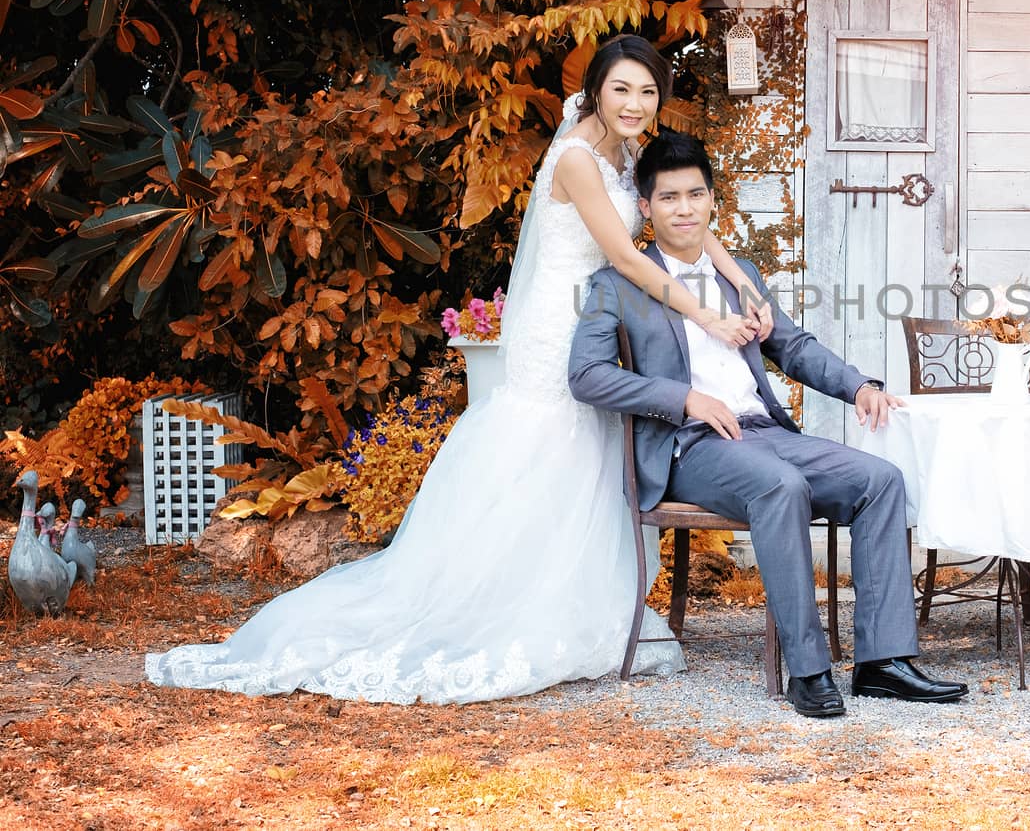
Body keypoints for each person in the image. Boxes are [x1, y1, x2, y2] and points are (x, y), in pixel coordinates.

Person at [146, 35, 777, 703]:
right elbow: (624, 254)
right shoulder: (576, 160)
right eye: (622, 88)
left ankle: (567, 597)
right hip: (559, 324)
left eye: (648, 91)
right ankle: (504, 604)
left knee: (588, 459)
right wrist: (708, 317)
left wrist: (743, 284)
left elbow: (690, 223)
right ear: (596, 89)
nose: (636, 103)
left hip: (597, 318)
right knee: (545, 451)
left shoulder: (629, 151)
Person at [569, 130, 969, 717]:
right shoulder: (617, 284)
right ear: (647, 207)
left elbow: (793, 346)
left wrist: (859, 383)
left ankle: (883, 662)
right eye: (670, 197)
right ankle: (806, 671)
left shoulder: (740, 276)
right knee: (781, 487)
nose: (685, 209)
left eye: (695, 195)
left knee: (880, 480)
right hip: (690, 447)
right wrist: (682, 399)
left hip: (766, 433)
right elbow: (587, 376)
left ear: (713, 200)